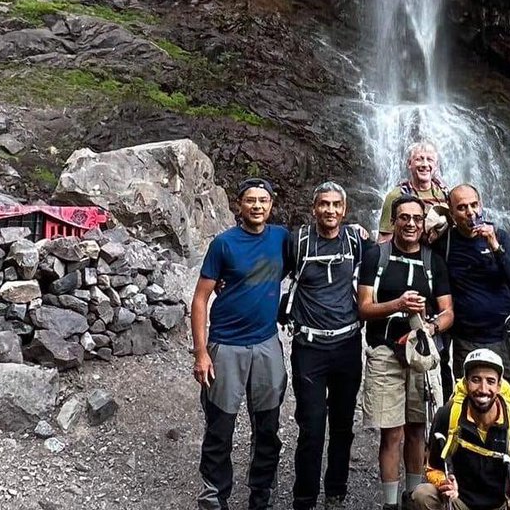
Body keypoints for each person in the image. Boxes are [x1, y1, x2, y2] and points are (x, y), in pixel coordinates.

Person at [191, 178, 289, 510]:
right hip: (226, 345)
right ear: (239, 205)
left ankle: (261, 494)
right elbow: (200, 299)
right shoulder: (223, 244)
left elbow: (309, 256)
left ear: (271, 205)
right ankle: (214, 497)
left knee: (268, 427)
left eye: (263, 200)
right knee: (220, 427)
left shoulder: (281, 238)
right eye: (251, 200)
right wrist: (201, 352)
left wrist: (361, 236)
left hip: (266, 343)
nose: (257, 206)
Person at [359, 194, 455, 510]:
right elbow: (364, 308)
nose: (411, 223)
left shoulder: (433, 261)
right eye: (404, 218)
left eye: (416, 218)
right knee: (392, 432)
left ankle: (412, 499)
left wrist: (429, 328)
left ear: (422, 222)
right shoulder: (377, 256)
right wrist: (398, 305)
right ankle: (389, 503)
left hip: (421, 356)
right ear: (394, 221)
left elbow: (448, 312)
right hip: (385, 352)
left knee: (417, 428)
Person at [284, 180, 370, 510]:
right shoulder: (297, 242)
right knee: (311, 425)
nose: (330, 210)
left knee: (343, 423)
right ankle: (304, 498)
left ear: (345, 210)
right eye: (324, 204)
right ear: (314, 208)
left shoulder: (357, 241)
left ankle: (336, 489)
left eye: (336, 205)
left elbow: (391, 257)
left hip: (348, 344)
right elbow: (268, 272)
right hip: (309, 347)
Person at [415, 347, 510, 510]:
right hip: (460, 503)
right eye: (476, 379)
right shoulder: (448, 415)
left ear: (500, 386)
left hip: (500, 505)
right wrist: (445, 484)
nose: (483, 389)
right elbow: (433, 468)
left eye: (490, 381)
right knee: (423, 494)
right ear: (466, 383)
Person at [445, 183, 510, 407]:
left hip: (504, 337)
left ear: (481, 205)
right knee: (471, 407)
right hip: (467, 339)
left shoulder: (500, 236)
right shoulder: (445, 244)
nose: (470, 212)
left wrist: (495, 247)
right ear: (451, 212)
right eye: (462, 208)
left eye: (474, 205)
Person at [378, 140, 450, 241]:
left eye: (430, 160)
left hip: (440, 254)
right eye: (419, 159)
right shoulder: (396, 195)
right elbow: (384, 239)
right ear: (409, 163)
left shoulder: (445, 193)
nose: (425, 164)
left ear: (436, 166)